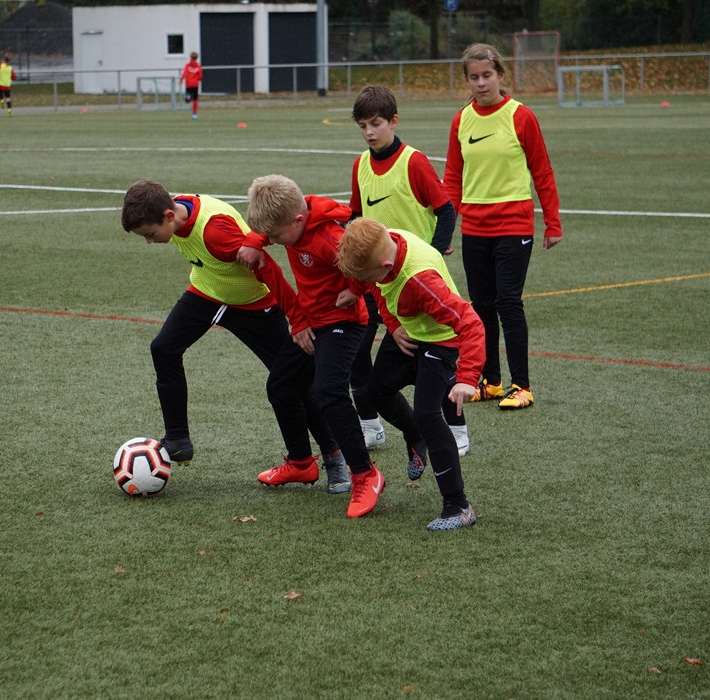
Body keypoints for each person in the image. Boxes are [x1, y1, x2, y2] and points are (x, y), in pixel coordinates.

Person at [120, 179, 350, 493]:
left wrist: (297, 320)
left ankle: (333, 456)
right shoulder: (175, 208)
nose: (149, 241)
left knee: (295, 381)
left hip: (253, 305)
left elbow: (267, 267)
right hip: (206, 292)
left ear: (168, 216)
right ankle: (178, 439)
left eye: (149, 233)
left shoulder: (216, 233)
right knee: (163, 348)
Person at [243, 174, 393, 518]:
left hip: (344, 323)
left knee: (328, 392)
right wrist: (254, 239)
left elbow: (374, 270)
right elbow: (268, 231)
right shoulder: (291, 220)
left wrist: (355, 290)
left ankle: (365, 474)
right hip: (313, 322)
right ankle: (301, 462)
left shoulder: (330, 239)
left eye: (276, 236)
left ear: (298, 221)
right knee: (280, 385)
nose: (273, 241)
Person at [337, 217, 483, 530]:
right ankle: (414, 435)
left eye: (366, 276)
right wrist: (388, 320)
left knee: (428, 414)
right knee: (376, 392)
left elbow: (471, 323)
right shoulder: (383, 240)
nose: (366, 283)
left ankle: (458, 506)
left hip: (440, 341)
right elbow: (376, 284)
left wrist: (468, 378)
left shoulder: (421, 282)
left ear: (386, 265)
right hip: (409, 331)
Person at [349, 84, 469, 457]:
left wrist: (432, 254)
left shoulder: (413, 162)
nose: (369, 132)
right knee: (357, 350)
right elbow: (355, 216)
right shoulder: (360, 165)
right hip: (376, 280)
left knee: (431, 351)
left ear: (394, 121)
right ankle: (371, 426)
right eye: (363, 126)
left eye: (376, 123)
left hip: (413, 278)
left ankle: (457, 430)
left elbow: (445, 210)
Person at [443, 43, 563, 410]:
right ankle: (491, 382)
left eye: (487, 75)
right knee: (481, 307)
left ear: (500, 75)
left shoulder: (521, 116)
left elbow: (542, 171)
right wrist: (445, 230)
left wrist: (553, 222)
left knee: (508, 303)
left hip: (513, 225)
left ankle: (521, 386)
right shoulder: (461, 120)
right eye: (474, 77)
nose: (481, 83)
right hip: (474, 228)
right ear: (466, 80)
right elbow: (453, 178)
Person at [179, 52, 203, 119]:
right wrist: (197, 79)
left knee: (188, 99)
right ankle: (194, 114)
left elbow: (184, 73)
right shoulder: (198, 66)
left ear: (190, 57)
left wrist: (181, 80)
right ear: (196, 58)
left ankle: (189, 98)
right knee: (195, 99)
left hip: (188, 84)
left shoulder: (187, 65)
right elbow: (200, 76)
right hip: (195, 84)